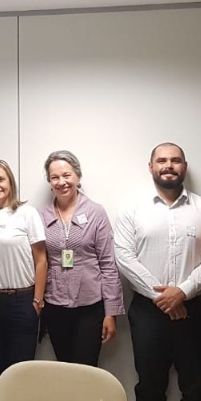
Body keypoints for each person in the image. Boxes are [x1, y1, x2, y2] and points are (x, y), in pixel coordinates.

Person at [114, 142, 201, 401]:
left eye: (175, 160)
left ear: (184, 166)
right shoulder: (133, 209)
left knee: (197, 389)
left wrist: (182, 292)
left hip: (194, 310)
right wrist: (163, 298)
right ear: (151, 166)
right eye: (162, 160)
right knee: (149, 388)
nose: (168, 166)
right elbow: (124, 257)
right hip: (148, 313)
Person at [0, 159, 45, 396]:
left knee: (21, 375)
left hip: (22, 302)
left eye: (0, 179)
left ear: (10, 181)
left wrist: (38, 300)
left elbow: (41, 259)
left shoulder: (26, 213)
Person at [40, 151, 123, 367]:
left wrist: (111, 313)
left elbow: (108, 265)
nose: (61, 182)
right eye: (55, 177)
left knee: (86, 370)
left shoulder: (96, 212)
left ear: (78, 176)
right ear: (49, 182)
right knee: (64, 368)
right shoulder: (41, 216)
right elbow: (39, 262)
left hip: (90, 307)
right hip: (55, 306)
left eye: (66, 175)